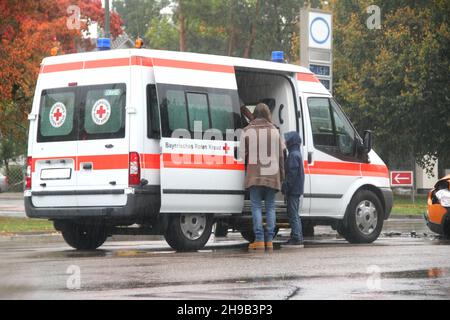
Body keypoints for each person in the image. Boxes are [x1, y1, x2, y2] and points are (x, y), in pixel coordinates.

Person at [240, 103, 284, 251]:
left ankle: (259, 240)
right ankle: (269, 240)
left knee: (256, 207)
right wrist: (282, 176)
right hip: (272, 175)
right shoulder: (275, 131)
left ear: (255, 114)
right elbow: (281, 156)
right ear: (267, 114)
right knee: (271, 207)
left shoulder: (247, 131)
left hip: (254, 175)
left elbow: (242, 155)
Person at [282, 131, 305, 246]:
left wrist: (286, 186)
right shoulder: (296, 154)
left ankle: (296, 237)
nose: (285, 142)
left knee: (293, 214)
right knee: (295, 213)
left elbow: (291, 174)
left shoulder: (293, 155)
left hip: (293, 190)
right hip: (297, 189)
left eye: (287, 140)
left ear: (291, 142)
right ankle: (297, 236)